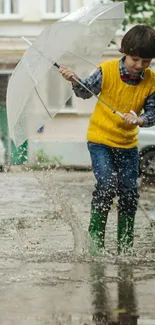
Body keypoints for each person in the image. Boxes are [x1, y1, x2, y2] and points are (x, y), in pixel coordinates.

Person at [59, 25, 155, 254]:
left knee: (130, 191)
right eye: (135, 59)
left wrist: (140, 120)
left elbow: (153, 113)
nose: (139, 66)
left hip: (127, 144)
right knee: (107, 185)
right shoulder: (107, 70)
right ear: (126, 52)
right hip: (100, 140)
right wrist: (74, 80)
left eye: (147, 61)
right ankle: (96, 244)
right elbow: (84, 92)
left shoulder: (151, 81)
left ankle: (125, 245)